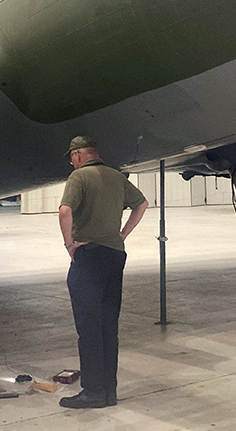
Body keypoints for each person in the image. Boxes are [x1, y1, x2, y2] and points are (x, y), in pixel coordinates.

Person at [58, 136, 149, 409]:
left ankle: (93, 392)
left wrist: (69, 245)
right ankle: (109, 392)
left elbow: (64, 212)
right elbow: (142, 204)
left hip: (89, 257)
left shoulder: (79, 177)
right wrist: (121, 234)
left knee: (88, 329)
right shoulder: (116, 176)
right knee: (109, 328)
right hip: (115, 255)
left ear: (77, 156)